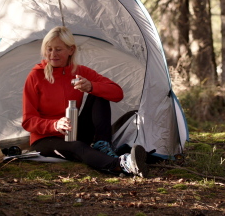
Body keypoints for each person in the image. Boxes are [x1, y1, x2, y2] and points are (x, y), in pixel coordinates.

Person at [22, 26, 148, 177]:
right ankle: (123, 165)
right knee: (77, 147)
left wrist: (91, 86)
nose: (52, 54)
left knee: (99, 93)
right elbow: (28, 121)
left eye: (58, 49)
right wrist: (54, 125)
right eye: (49, 49)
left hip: (73, 131)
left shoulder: (80, 72)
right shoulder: (36, 76)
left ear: (71, 50)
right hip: (45, 139)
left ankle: (103, 145)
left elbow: (117, 93)